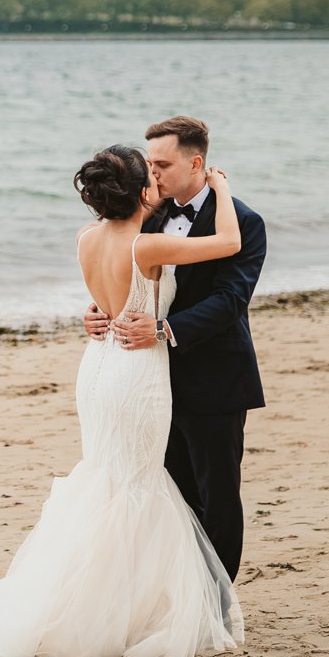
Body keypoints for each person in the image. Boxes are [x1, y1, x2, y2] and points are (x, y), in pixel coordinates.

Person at [0, 143, 245, 657]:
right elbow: (229, 242)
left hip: (98, 366)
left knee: (106, 477)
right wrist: (221, 186)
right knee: (137, 484)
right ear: (141, 193)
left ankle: (91, 603)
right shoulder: (147, 246)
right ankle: (129, 613)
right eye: (150, 178)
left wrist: (98, 310)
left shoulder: (86, 237)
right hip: (137, 370)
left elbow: (106, 293)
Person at [86, 115, 266, 580]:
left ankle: (219, 601)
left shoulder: (244, 221)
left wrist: (163, 329)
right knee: (170, 494)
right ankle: (180, 596)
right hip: (150, 382)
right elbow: (126, 272)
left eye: (162, 165)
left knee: (216, 496)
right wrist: (99, 310)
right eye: (150, 165)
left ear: (196, 163)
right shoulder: (150, 212)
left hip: (213, 378)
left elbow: (230, 301)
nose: (153, 174)